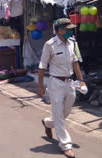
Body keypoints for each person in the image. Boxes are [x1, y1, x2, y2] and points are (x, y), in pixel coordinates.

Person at [37, 18, 85, 158]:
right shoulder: (49, 45)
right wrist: (40, 86)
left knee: (66, 111)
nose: (70, 31)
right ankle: (65, 145)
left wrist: (81, 80)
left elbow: (75, 62)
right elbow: (42, 66)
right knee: (58, 113)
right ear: (59, 30)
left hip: (70, 82)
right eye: (67, 29)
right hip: (56, 83)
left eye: (71, 29)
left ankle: (47, 123)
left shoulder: (72, 43)